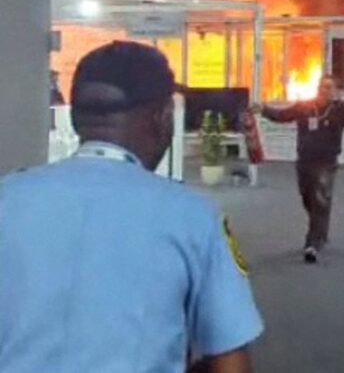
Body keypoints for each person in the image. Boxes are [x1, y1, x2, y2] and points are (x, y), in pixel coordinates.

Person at [0, 42, 264, 373]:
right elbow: (231, 362)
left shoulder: (7, 197)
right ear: (162, 118)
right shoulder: (194, 216)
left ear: (76, 120)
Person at [254, 76, 344, 264]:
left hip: (326, 163)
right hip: (305, 161)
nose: (325, 90)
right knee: (308, 198)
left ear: (335, 91)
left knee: (320, 200)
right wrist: (264, 110)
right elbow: (283, 116)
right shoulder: (304, 107)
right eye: (322, 87)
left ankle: (312, 244)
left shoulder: (339, 110)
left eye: (329, 87)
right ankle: (321, 230)